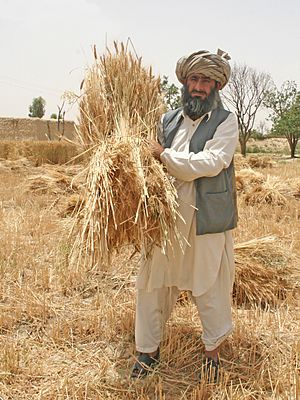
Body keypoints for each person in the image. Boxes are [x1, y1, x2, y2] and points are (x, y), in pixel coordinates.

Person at [131, 49, 239, 382]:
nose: (198, 86)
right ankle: (148, 352)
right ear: (184, 81)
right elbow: (147, 163)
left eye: (206, 80)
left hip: (205, 219)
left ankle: (212, 354)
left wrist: (163, 154)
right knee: (151, 283)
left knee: (210, 287)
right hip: (165, 219)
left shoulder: (225, 122)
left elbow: (209, 163)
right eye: (193, 79)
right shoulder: (168, 120)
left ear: (217, 85)